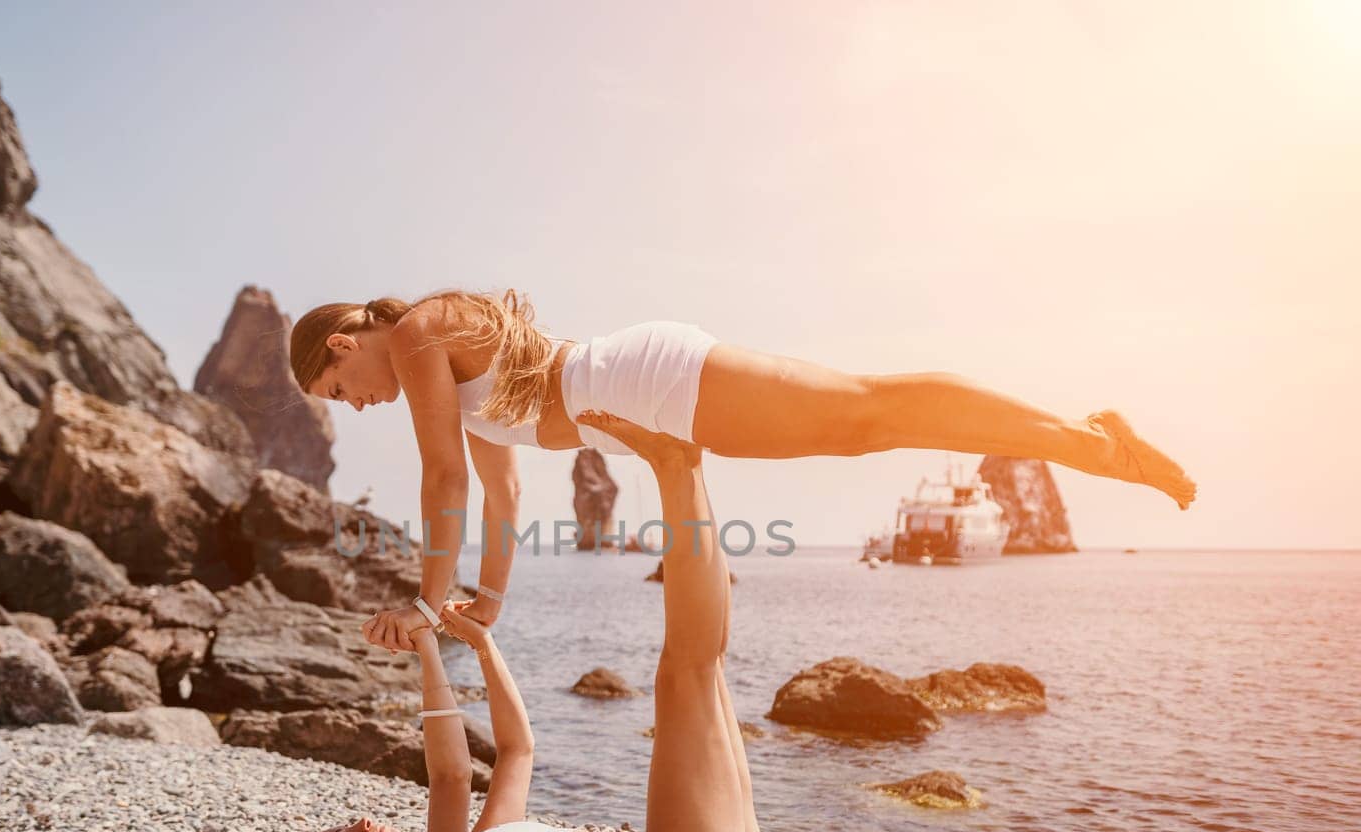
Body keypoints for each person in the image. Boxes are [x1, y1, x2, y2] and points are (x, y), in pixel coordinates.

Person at [288, 289, 1197, 650]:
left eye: (341, 386)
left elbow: (440, 482)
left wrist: (419, 600)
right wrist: (488, 596)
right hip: (641, 402)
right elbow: (498, 487)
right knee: (860, 423)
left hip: (646, 380)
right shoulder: (435, 370)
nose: (358, 403)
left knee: (867, 410)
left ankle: (1087, 440)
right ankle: (1086, 437)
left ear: (342, 342)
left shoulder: (415, 333)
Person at [237, 411, 770, 832]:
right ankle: (673, 463)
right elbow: (450, 776)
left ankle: (686, 463)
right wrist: (425, 643)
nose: (361, 821)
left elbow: (517, 750)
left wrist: (483, 646)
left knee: (710, 667)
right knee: (686, 673)